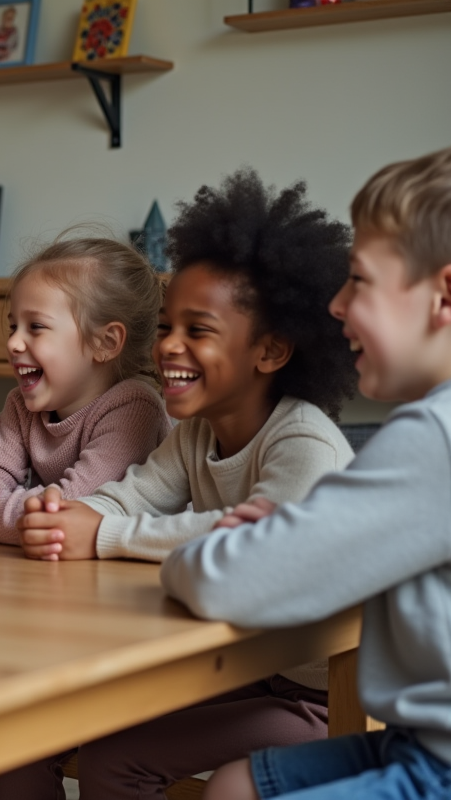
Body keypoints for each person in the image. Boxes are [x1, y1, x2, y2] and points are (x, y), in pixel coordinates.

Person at [0, 169, 360, 800]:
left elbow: (259, 540)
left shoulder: (305, 442)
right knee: (27, 729)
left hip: (330, 697)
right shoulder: (195, 434)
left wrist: (102, 534)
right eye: (166, 327)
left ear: (270, 351)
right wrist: (67, 514)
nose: (167, 346)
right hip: (248, 668)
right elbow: (129, 497)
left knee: (118, 761)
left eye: (199, 331)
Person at [163, 148, 451, 800]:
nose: (337, 305)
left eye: (360, 281)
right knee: (237, 785)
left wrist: (214, 548)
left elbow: (228, 581)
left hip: (438, 767)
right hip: (418, 742)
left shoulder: (431, 438)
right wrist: (300, 538)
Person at [0, 236, 171, 546]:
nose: (13, 343)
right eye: (13, 327)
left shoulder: (134, 408)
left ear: (105, 343)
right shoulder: (21, 406)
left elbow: (71, 511)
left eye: (36, 327)